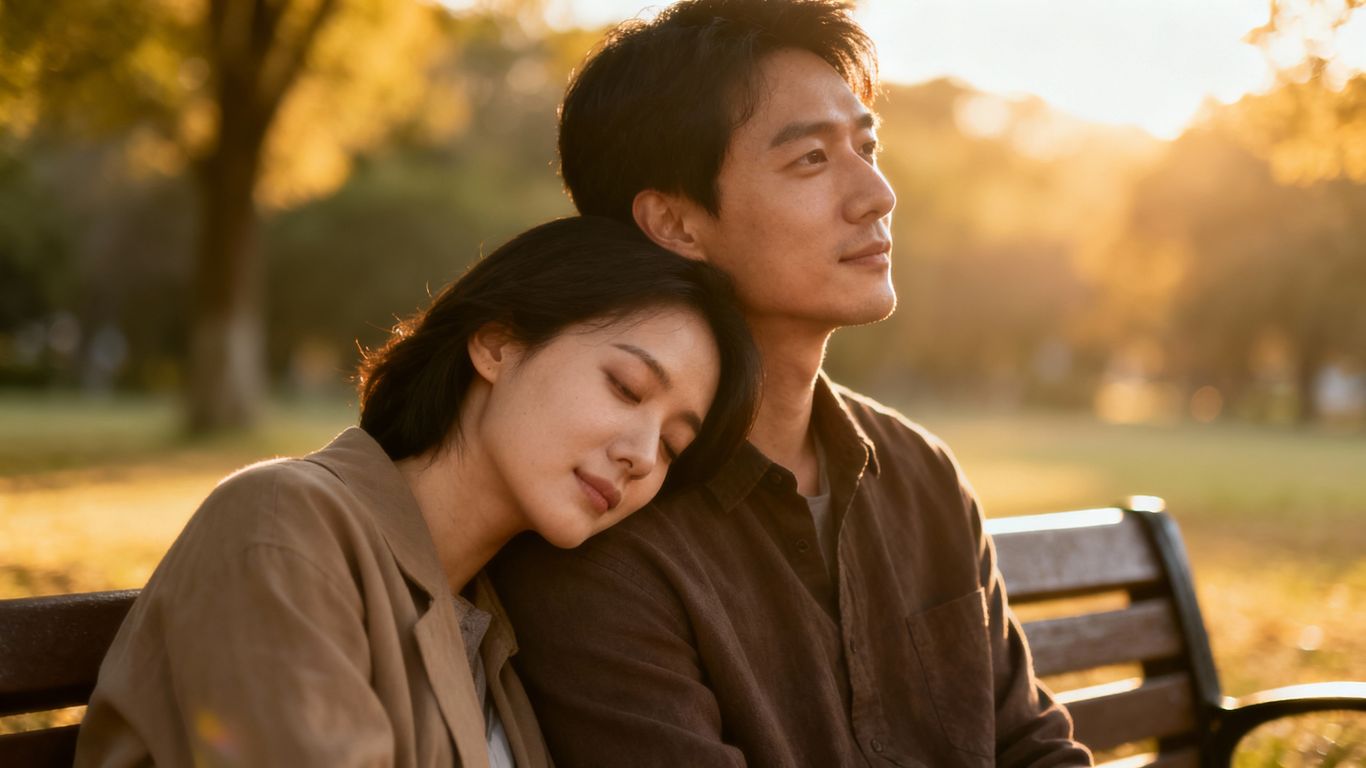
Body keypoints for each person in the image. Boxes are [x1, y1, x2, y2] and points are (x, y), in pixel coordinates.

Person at [489, 2, 1094, 766]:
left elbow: (1030, 744)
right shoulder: (601, 531)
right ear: (675, 225)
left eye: (867, 145)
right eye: (811, 159)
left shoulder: (920, 474)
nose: (877, 193)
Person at [73, 216, 761, 768]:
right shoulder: (283, 526)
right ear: (497, 344)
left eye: (674, 444)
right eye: (626, 388)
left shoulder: (496, 631)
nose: (642, 455)